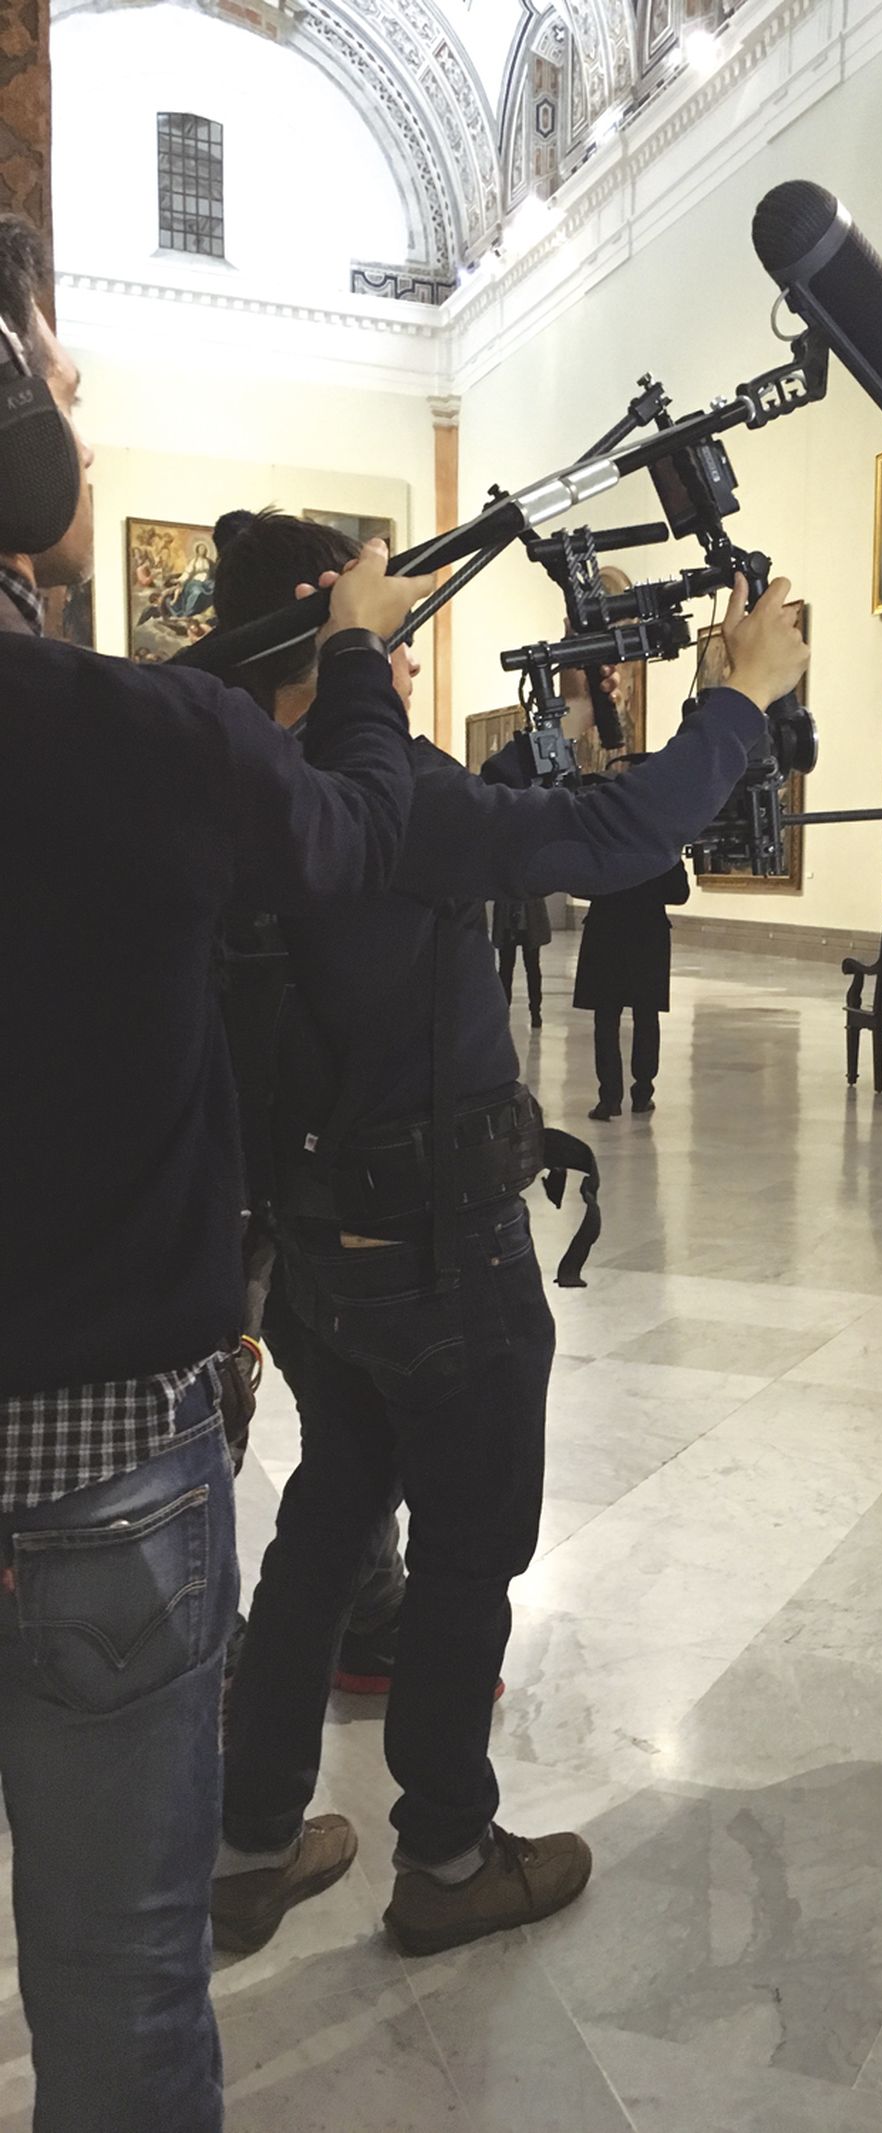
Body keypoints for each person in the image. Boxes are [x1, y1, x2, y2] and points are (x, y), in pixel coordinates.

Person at [206, 510, 808, 1961]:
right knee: (469, 1551)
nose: (405, 652)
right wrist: (745, 697)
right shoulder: (387, 792)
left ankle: (247, 1843)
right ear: (329, 625)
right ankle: (450, 1857)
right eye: (383, 619)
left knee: (327, 1522)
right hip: (436, 1253)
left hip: (312, 1243)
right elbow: (617, 838)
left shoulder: (225, 787)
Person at [0, 216, 422, 2133]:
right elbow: (344, 840)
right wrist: (355, 660)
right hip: (94, 1471)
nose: (81, 413)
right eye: (57, 377)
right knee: (123, 2004)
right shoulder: (130, 734)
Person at [575, 861, 691, 1120]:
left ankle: (609, 1098)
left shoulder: (606, 845)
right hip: (647, 936)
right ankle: (642, 1093)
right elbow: (679, 894)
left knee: (605, 1020)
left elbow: (579, 884)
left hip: (606, 933)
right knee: (647, 1018)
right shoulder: (658, 847)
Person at [491, 894, 552, 1023]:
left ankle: (535, 1010)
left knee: (531, 969)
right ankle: (504, 1008)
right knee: (506, 970)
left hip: (529, 923)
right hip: (508, 925)